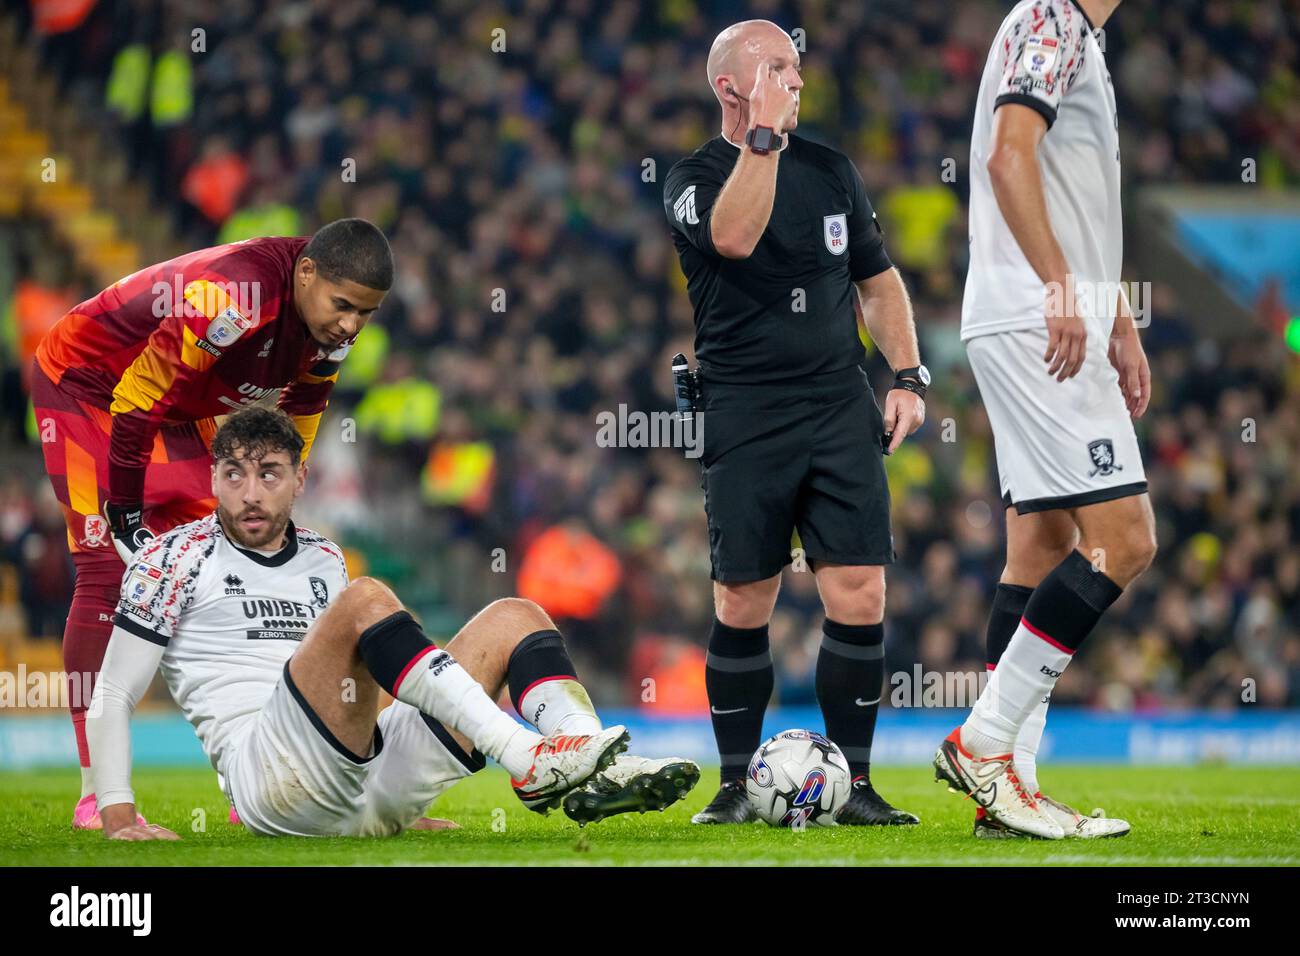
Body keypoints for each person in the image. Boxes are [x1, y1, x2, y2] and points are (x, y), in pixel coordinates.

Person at [86, 407, 699, 839]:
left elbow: (355, 684)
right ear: (213, 479)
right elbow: (112, 694)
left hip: (356, 777)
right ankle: (527, 757)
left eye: (269, 473)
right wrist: (116, 812)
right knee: (366, 599)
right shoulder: (173, 558)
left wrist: (394, 788)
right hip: (272, 785)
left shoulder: (322, 555)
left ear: (300, 480)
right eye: (234, 475)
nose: (250, 492)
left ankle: (595, 766)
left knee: (516, 616)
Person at [33, 218, 394, 828]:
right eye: (344, 307)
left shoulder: (331, 320)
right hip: (90, 388)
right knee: (107, 567)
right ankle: (98, 793)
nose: (352, 325)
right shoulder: (230, 297)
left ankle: (254, 784)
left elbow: (302, 408)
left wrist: (283, 505)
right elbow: (138, 397)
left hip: (185, 401)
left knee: (236, 562)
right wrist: (123, 512)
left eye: (366, 313)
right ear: (307, 273)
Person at [664, 20, 926, 825]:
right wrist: (765, 139)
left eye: (797, 66)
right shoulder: (692, 176)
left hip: (837, 401)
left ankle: (856, 783)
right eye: (777, 68)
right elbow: (735, 237)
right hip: (744, 408)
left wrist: (909, 376)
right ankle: (737, 786)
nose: (797, 79)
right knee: (745, 599)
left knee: (859, 589)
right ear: (729, 89)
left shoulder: (833, 171)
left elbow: (876, 282)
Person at [933, 0, 1153, 839]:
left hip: (1036, 312)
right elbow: (1006, 154)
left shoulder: (1074, 34)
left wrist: (1116, 317)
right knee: (1126, 539)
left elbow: (1070, 195)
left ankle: (1007, 792)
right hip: (1036, 316)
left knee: (1042, 544)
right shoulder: (1053, 19)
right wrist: (1064, 289)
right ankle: (987, 744)